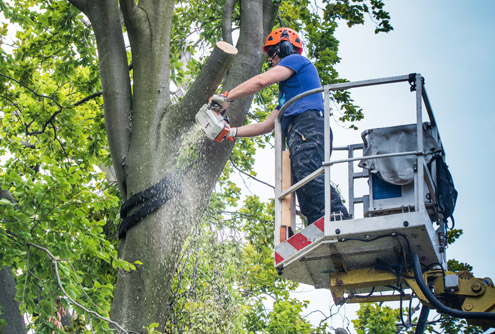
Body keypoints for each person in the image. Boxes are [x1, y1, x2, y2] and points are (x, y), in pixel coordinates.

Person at [211, 27, 349, 224]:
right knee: (303, 182)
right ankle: (318, 224)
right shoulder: (289, 99)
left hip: (308, 125)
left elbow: (261, 81)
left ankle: (338, 218)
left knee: (309, 173)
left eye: (272, 52)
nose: (270, 59)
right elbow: (266, 126)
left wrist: (226, 97)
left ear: (285, 46)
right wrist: (230, 132)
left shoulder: (296, 60)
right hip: (300, 129)